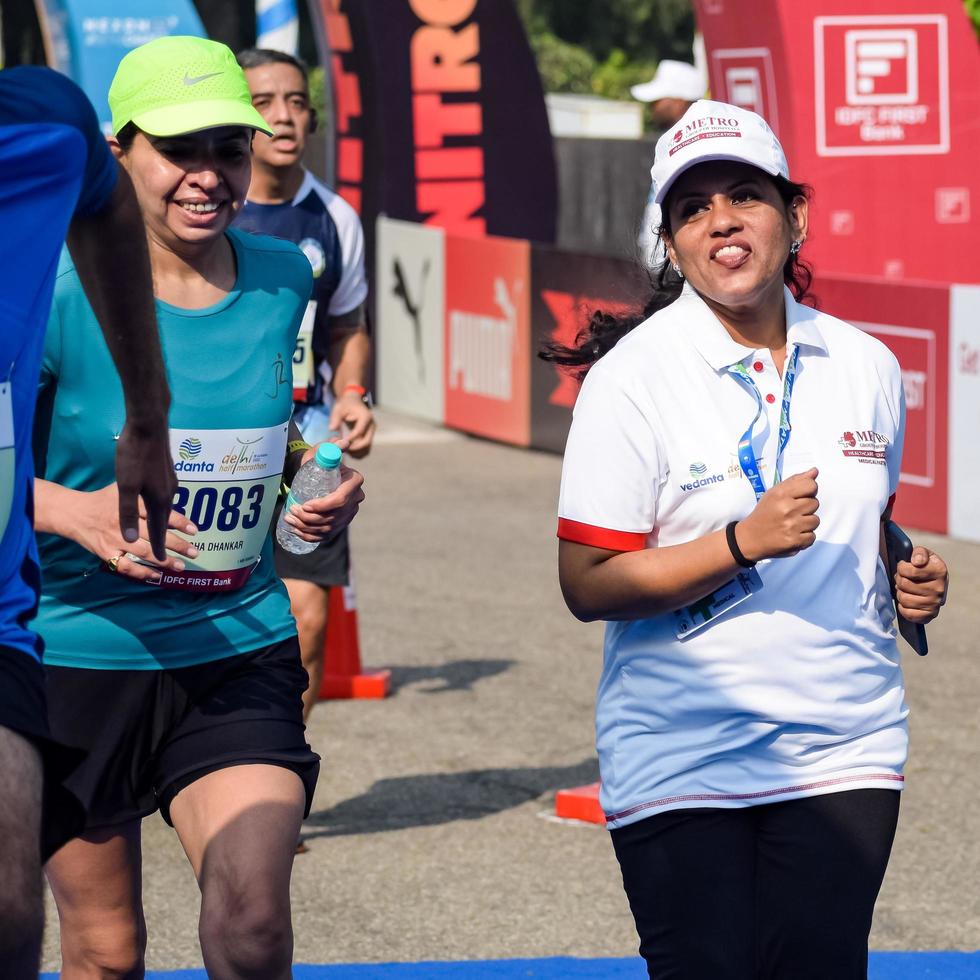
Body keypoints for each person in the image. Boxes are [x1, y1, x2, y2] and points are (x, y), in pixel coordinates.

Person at [544, 100, 949, 980]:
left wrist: (905, 569)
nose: (721, 220)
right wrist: (737, 542)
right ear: (671, 241)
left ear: (792, 216)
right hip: (682, 746)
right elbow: (587, 582)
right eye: (693, 207)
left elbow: (865, 514)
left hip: (844, 745)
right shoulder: (631, 382)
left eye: (744, 195)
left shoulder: (869, 366)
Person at [32, 36, 364, 979]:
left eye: (227, 147)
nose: (208, 175)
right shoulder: (46, 293)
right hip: (76, 655)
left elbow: (272, 430)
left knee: (254, 926)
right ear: (117, 152)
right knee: (104, 952)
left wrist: (310, 487)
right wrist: (73, 513)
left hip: (233, 646)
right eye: (179, 150)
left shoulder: (284, 276)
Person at [0, 66, 175, 976]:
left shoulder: (41, 123)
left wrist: (149, 414)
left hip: (1, 625)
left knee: (5, 911)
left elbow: (103, 210)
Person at [234, 47, 374, 721]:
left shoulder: (335, 219)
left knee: (307, 623)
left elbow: (349, 326)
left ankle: (281, 777)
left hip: (309, 450)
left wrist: (353, 393)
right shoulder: (200, 208)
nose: (284, 118)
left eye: (295, 102)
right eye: (263, 103)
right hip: (213, 450)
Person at [630, 60, 706, 269]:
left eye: (658, 100)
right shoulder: (669, 145)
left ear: (680, 101)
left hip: (679, 274)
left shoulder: (697, 150)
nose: (652, 106)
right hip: (663, 272)